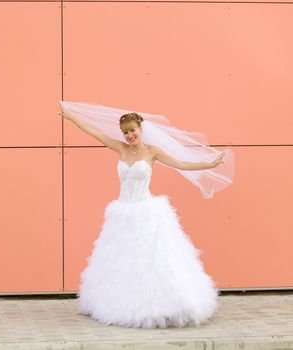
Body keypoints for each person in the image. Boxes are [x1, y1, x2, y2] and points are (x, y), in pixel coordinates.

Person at [58, 105, 228, 328]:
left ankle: (164, 305)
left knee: (153, 259)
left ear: (140, 129)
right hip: (123, 212)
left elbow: (182, 163)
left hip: (146, 212)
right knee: (121, 260)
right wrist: (71, 118)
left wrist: (209, 164)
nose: (129, 136)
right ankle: (121, 303)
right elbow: (95, 132)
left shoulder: (152, 152)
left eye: (133, 131)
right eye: (126, 132)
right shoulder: (121, 148)